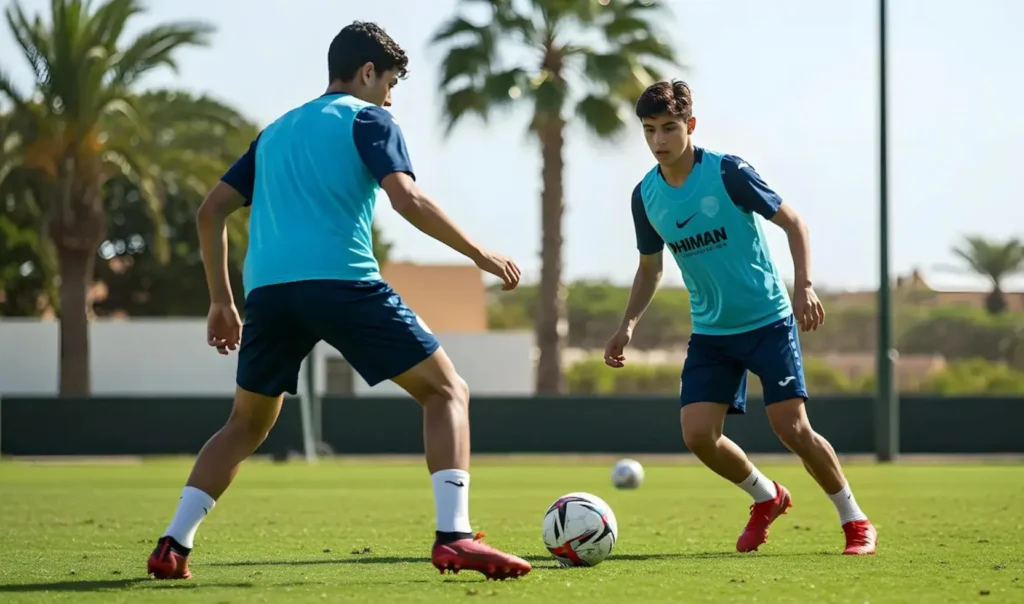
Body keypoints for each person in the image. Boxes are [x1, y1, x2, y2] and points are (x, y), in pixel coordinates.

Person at [147, 21, 531, 581]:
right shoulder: (370, 118)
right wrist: (480, 253)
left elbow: (210, 213)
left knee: (245, 425)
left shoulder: (275, 132)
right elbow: (407, 198)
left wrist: (221, 302)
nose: (391, 96)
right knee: (447, 391)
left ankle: (173, 544)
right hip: (343, 283)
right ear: (368, 72)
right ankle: (454, 537)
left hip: (269, 295)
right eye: (390, 81)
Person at [604, 80, 877, 556]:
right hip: (711, 332)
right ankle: (766, 496)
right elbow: (650, 267)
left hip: (768, 321)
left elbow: (794, 222)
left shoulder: (728, 172)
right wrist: (627, 324)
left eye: (669, 128)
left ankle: (855, 520)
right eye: (649, 131)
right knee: (698, 436)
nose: (659, 140)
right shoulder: (644, 196)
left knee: (792, 428)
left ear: (690, 126)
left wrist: (804, 286)